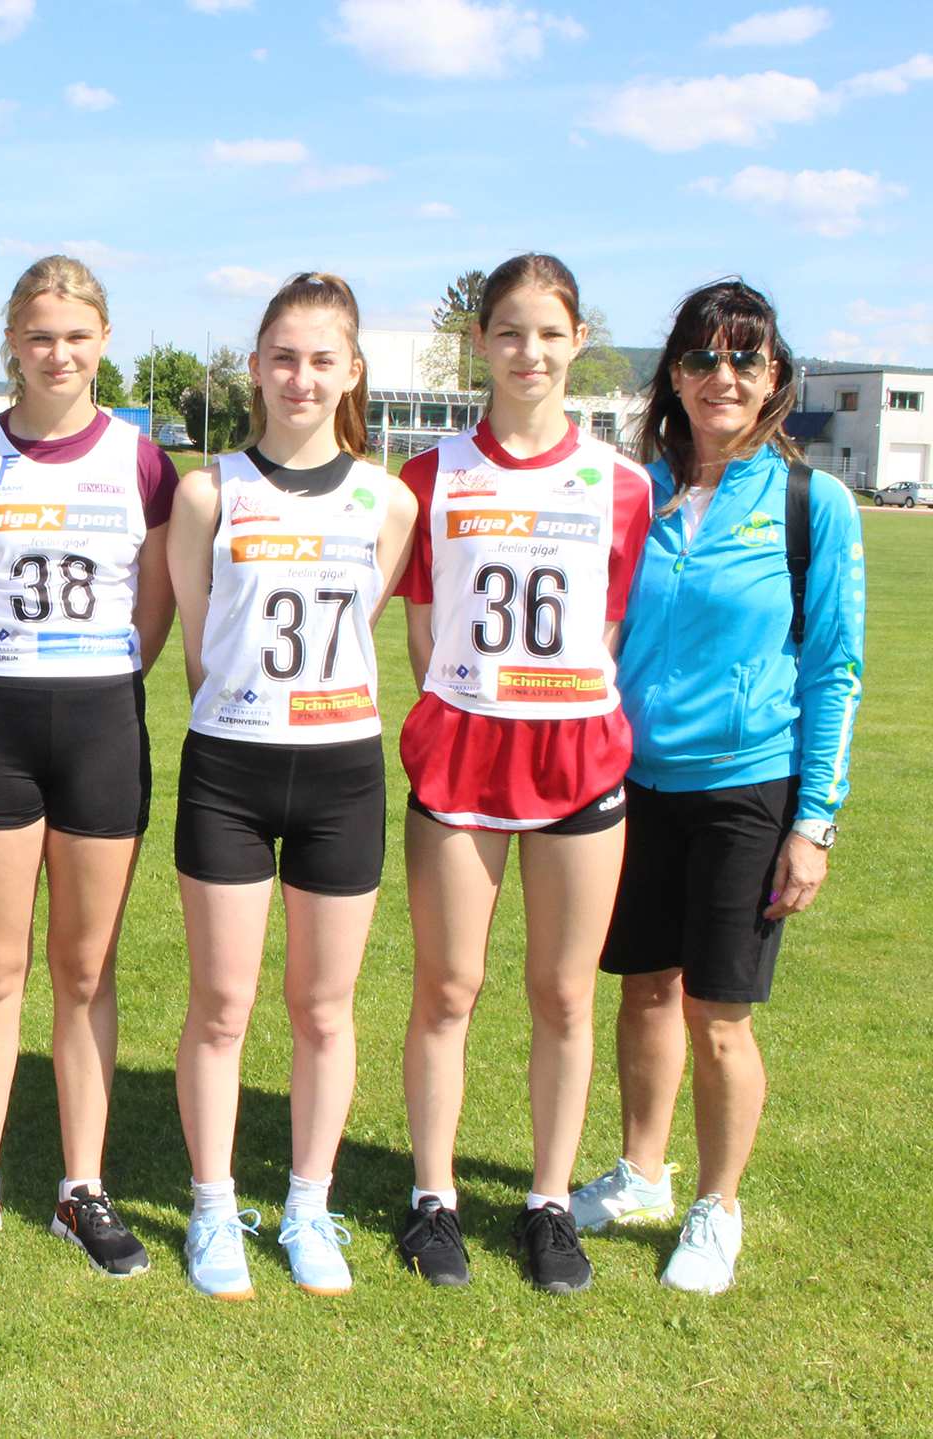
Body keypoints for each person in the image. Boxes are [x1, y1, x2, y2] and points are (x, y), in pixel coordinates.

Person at [569, 279, 864, 1294]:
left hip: (747, 790)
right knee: (643, 989)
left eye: (743, 358)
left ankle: (715, 1205)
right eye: (701, 357)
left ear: (774, 377)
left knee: (718, 1012)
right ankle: (641, 1173)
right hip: (632, 785)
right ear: (674, 377)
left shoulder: (809, 504)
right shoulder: (635, 493)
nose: (721, 377)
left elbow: (833, 667)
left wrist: (813, 823)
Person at [0, 255, 178, 1275]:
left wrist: (90, 675)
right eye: (38, 336)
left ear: (102, 340)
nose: (57, 353)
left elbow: (153, 611)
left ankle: (81, 1187)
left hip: (101, 720)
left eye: (75, 335)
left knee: (85, 966)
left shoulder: (143, 463)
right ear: (12, 343)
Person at [393, 253, 652, 1294]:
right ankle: (433, 1197)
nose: (528, 352)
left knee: (561, 991)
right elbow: (423, 630)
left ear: (578, 341)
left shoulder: (622, 483)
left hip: (576, 755)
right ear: (479, 341)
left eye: (548, 333)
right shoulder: (430, 477)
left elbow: (608, 627)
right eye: (508, 331)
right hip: (463, 749)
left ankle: (547, 1202)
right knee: (447, 985)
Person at [167, 274, 417, 1300]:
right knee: (222, 1002)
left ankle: (308, 1205)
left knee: (322, 1005)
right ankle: (212, 1204)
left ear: (351, 370)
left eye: (321, 359)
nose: (300, 377)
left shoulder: (388, 500)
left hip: (341, 773)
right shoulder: (207, 492)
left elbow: (365, 626)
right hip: (229, 766)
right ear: (254, 367)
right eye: (282, 356)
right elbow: (200, 645)